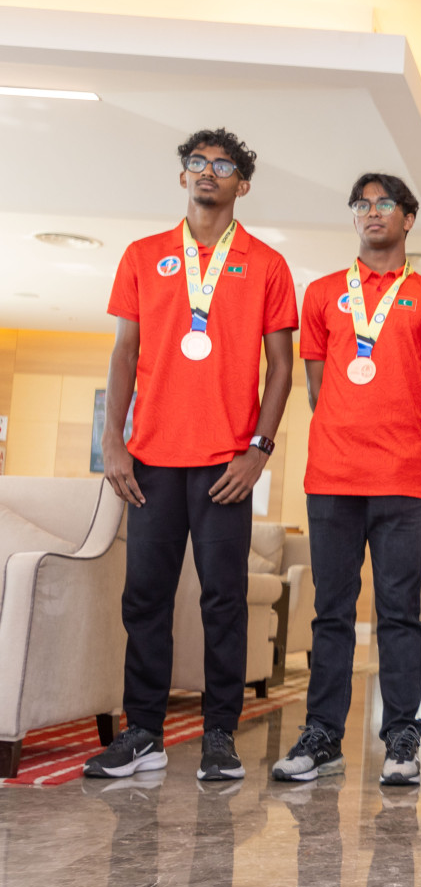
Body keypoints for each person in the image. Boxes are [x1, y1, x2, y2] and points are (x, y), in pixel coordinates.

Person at [86, 128, 296, 781]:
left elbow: (281, 368)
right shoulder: (144, 255)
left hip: (225, 466)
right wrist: (113, 440)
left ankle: (219, 738)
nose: (209, 172)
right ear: (183, 177)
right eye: (197, 163)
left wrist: (258, 452)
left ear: (243, 183)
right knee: (144, 597)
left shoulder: (266, 264)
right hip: (149, 459)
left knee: (224, 600)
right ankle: (143, 733)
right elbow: (126, 351)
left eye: (223, 165)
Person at [271, 173, 421, 786]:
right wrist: (349, 437)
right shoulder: (324, 294)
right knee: (332, 611)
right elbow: (318, 385)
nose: (372, 212)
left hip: (401, 482)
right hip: (331, 478)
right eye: (363, 204)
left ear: (409, 219)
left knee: (400, 612)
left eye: (386, 204)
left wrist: (405, 443)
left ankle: (401, 738)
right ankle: (322, 735)